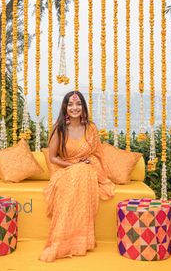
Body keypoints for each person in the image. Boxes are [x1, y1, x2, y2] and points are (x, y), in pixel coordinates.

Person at [39, 91, 115, 262]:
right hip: (64, 169)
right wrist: (73, 165)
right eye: (71, 104)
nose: (75, 108)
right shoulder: (59, 129)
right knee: (78, 172)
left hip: (87, 168)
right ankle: (62, 240)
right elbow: (53, 158)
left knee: (83, 171)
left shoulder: (91, 128)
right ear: (65, 107)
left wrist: (86, 162)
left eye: (79, 104)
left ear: (83, 107)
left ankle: (79, 241)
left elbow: (97, 153)